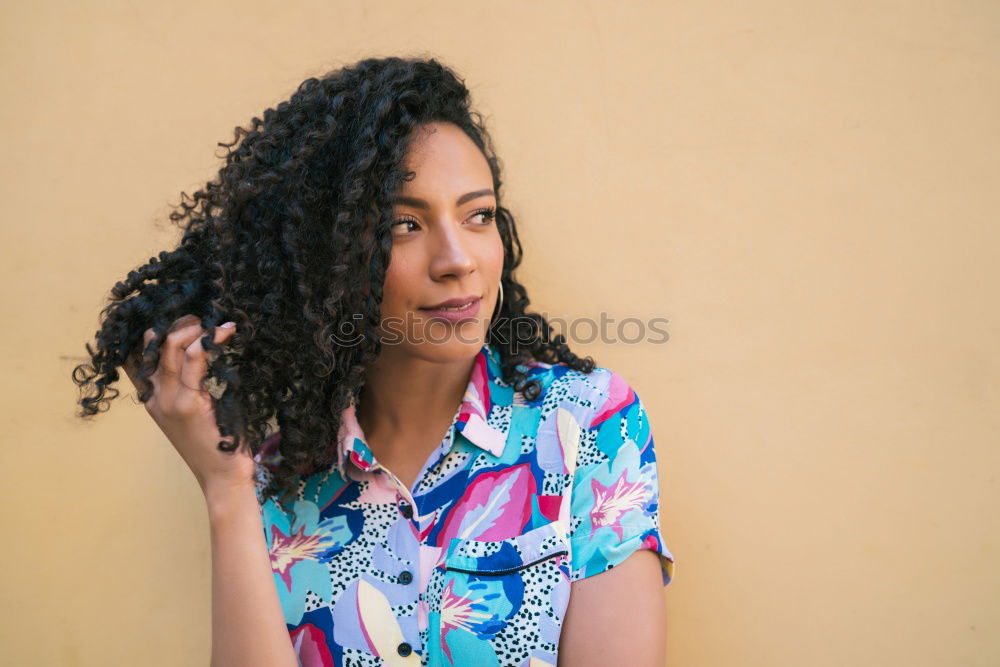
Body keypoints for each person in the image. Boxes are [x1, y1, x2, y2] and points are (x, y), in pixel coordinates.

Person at [73, 56, 675, 666]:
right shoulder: (275, 483)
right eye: (405, 224)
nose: (456, 259)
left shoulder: (586, 424)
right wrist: (225, 489)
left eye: (479, 216)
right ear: (328, 257)